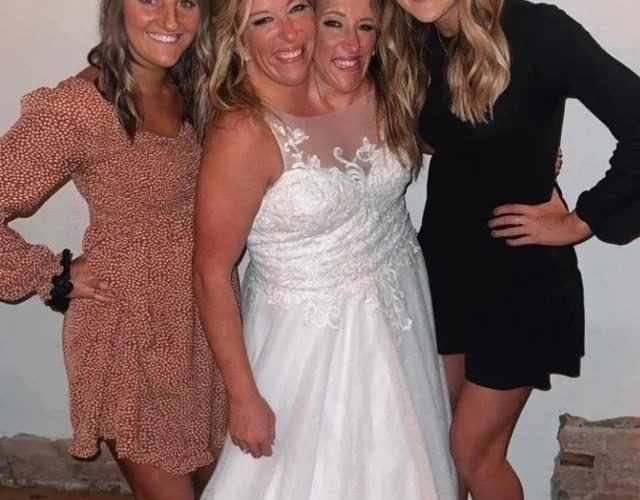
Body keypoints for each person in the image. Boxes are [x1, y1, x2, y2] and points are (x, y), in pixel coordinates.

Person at [194, 0, 457, 498]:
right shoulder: (242, 132)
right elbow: (211, 274)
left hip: (400, 319)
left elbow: (453, 138)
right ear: (238, 42)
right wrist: (243, 397)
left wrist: (528, 159)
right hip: (307, 346)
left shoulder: (368, 85)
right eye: (263, 20)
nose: (289, 33)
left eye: (297, 9)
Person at [394, 0, 640, 499]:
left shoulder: (535, 29)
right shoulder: (410, 40)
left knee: (472, 451)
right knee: (440, 446)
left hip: (518, 277)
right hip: (444, 265)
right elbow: (436, 134)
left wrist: (581, 220)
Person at [0, 1, 232, 498]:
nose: (171, 20)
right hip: (130, 334)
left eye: (186, 2)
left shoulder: (196, 85)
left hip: (201, 331)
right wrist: (53, 274)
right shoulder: (80, 108)